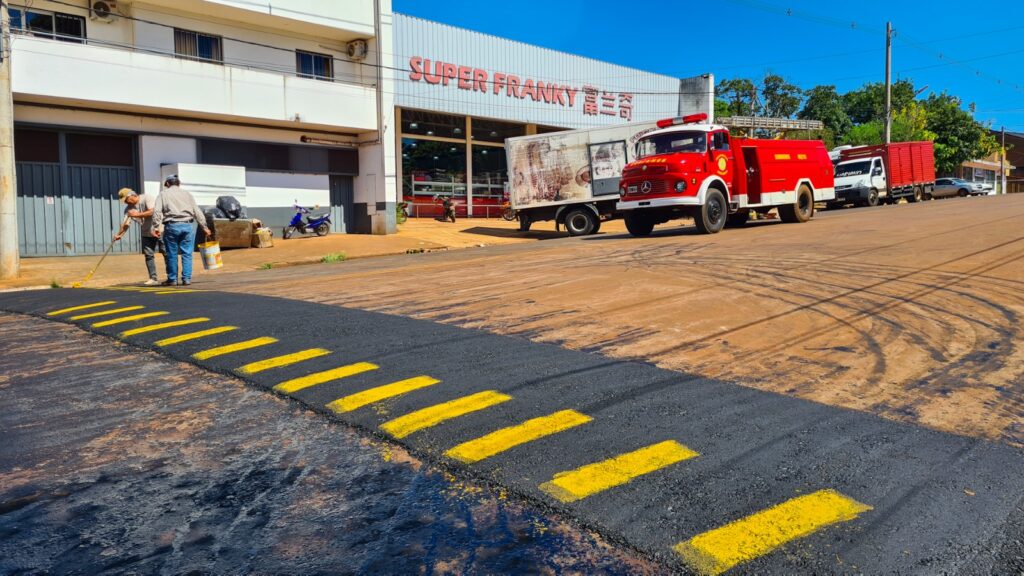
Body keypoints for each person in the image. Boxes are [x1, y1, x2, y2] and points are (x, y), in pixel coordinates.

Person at [151, 175, 211, 287]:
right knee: (187, 254)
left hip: (171, 226)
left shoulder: (163, 194)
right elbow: (196, 211)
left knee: (171, 254)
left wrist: (156, 227)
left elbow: (157, 211)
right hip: (187, 226)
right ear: (179, 184)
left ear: (168, 184)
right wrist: (204, 227)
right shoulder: (187, 194)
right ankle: (186, 279)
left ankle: (172, 279)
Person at [113, 187, 162, 286]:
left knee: (166, 252)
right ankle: (153, 278)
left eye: (126, 200)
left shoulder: (147, 198)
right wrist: (119, 235)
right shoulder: (128, 209)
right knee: (148, 255)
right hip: (146, 232)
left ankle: (171, 277)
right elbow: (126, 224)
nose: (126, 203)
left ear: (131, 195)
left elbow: (152, 211)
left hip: (159, 229)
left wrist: (137, 215)